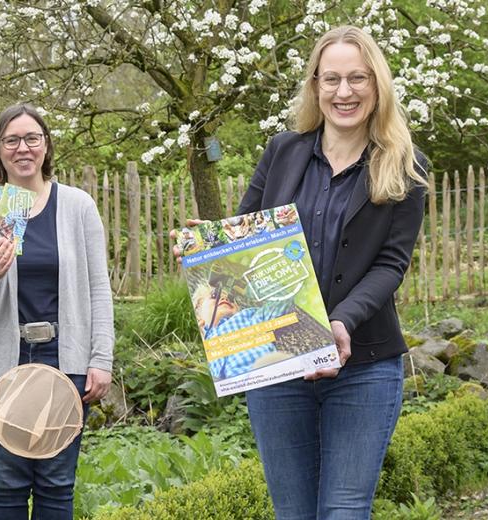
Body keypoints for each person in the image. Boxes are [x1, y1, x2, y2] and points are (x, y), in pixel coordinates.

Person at [174, 25, 428, 519]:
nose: (344, 92)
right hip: (278, 357)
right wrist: (209, 245)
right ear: (315, 86)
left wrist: (342, 322)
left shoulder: (404, 166)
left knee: (344, 510)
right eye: (330, 79)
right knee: (292, 511)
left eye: (357, 78)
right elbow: (245, 234)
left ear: (377, 85)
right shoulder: (283, 151)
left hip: (365, 365)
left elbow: (391, 264)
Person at [0, 103, 114, 520]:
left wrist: (101, 359)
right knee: (4, 483)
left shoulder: (78, 205)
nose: (23, 148)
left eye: (31, 138)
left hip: (66, 361)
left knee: (57, 484)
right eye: (11, 140)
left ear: (45, 146)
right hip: (0, 365)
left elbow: (99, 289)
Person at [191, 281, 293, 380]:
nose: (224, 298)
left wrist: (244, 286)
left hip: (264, 372)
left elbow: (282, 300)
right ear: (199, 320)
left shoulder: (249, 317)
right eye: (214, 296)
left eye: (230, 299)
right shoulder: (205, 344)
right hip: (235, 387)